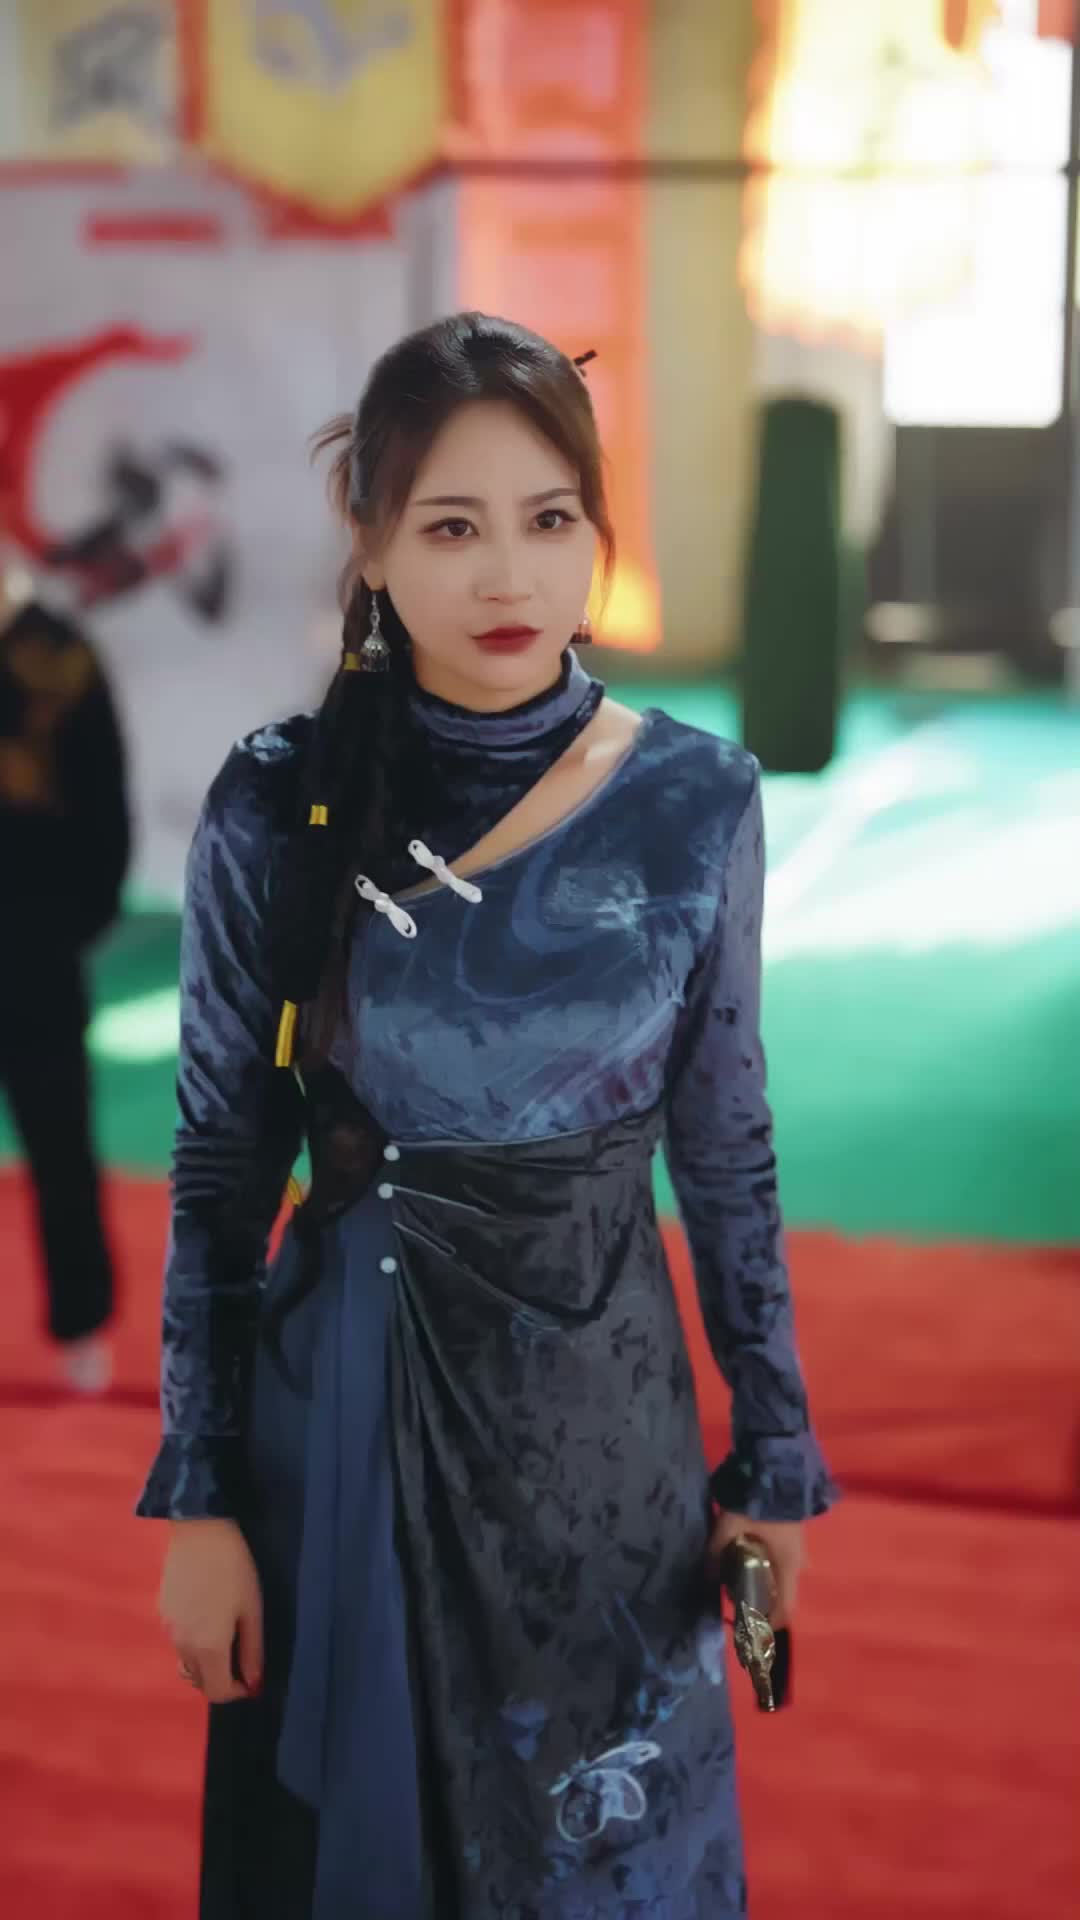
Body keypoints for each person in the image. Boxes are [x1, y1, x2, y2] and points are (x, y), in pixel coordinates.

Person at [137, 313, 836, 1920]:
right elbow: (221, 1165)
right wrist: (203, 1497)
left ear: (598, 535)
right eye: (451, 528)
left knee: (607, 1861)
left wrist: (775, 1453)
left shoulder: (695, 802)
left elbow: (726, 1150)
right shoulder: (277, 802)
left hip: (610, 1453)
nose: (507, 575)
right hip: (346, 1435)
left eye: (548, 519)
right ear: (372, 544)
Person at [0, 502, 130, 1392]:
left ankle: (83, 1324)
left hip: (36, 945)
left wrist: (69, 925)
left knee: (58, 1140)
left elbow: (105, 805)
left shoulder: (64, 657)